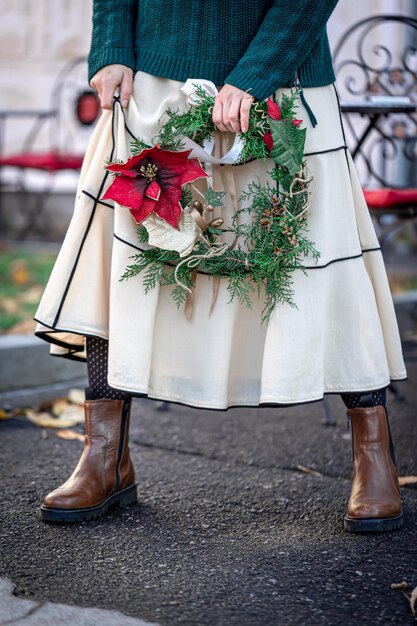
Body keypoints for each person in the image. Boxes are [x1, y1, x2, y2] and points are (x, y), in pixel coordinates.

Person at [35, 0, 406, 532]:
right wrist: (111, 47)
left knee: (328, 271)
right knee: (121, 266)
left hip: (282, 90)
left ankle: (374, 454)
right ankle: (104, 456)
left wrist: (258, 73)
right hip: (155, 88)